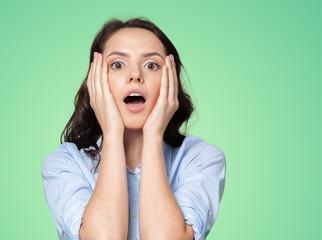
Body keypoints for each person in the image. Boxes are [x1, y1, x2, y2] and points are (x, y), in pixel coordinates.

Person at [41, 17, 226, 240]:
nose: (135, 75)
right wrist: (111, 132)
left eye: (152, 65)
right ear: (95, 80)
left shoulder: (201, 158)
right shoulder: (64, 164)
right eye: (118, 64)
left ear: (171, 81)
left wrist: (153, 134)